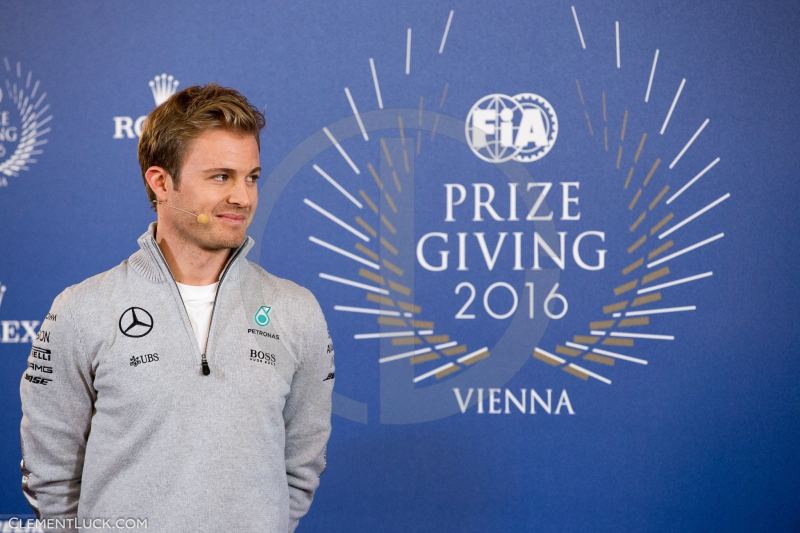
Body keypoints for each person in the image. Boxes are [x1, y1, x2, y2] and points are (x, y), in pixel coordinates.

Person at [19, 84, 335, 532]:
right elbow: (50, 477)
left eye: (252, 177)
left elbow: (301, 468)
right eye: (221, 177)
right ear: (161, 182)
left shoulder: (295, 310)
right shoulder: (81, 310)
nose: (243, 198)